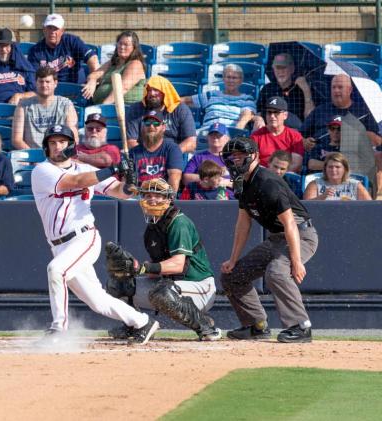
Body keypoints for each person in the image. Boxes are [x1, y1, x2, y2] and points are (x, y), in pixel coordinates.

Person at [31, 124, 159, 345]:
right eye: (52, 143)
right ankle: (141, 321)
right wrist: (114, 167)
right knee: (97, 301)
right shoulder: (42, 171)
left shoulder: (84, 170)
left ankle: (58, 329)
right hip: (59, 244)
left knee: (56, 270)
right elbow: (75, 182)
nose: (57, 147)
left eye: (62, 142)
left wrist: (129, 179)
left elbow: (121, 193)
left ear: (71, 145)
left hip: (84, 237)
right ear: (46, 147)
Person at [219, 137, 318, 343]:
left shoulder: (267, 181)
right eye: (232, 155)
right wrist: (233, 259)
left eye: (240, 155)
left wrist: (296, 261)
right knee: (232, 275)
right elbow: (243, 224)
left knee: (277, 272)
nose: (235, 159)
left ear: (253, 155)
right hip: (276, 239)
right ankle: (256, 325)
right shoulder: (243, 184)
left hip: (300, 235)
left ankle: (300, 327)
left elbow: (290, 223)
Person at [104, 178, 222, 341]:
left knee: (162, 292)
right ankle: (136, 325)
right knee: (118, 284)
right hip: (171, 286)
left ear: (168, 199)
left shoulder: (179, 222)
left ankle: (206, 326)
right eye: (148, 195)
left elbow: (178, 265)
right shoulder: (151, 229)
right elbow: (158, 271)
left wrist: (144, 268)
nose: (152, 199)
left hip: (199, 286)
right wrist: (133, 270)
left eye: (158, 196)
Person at [300, 74, 382, 197]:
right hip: (320, 158)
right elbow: (300, 135)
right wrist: (305, 141)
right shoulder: (321, 110)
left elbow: (378, 141)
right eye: (333, 87)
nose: (336, 91)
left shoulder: (364, 112)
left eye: (340, 87)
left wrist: (361, 133)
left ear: (349, 90)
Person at [12, 66, 79, 150]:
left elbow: (73, 137)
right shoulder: (23, 105)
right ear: (36, 83)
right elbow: (17, 140)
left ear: (55, 83)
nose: (44, 85)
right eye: (41, 81)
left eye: (47, 82)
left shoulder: (66, 104)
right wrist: (34, 156)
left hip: (59, 155)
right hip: (32, 156)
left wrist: (59, 155)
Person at [126, 76, 196, 152]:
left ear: (165, 91)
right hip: (143, 156)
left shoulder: (181, 109)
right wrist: (148, 156)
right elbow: (131, 142)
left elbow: (191, 143)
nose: (152, 93)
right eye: (148, 90)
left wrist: (172, 154)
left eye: (156, 90)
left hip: (172, 155)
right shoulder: (136, 109)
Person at [27, 13, 99, 84]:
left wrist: (92, 80)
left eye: (56, 28)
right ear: (44, 30)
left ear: (62, 31)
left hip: (76, 89)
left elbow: (92, 58)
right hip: (49, 91)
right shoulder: (35, 51)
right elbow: (34, 78)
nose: (52, 32)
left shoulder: (72, 41)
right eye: (49, 28)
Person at [181, 63, 256, 131]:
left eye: (234, 78)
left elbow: (246, 116)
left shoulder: (246, 99)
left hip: (230, 134)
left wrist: (236, 132)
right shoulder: (211, 95)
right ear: (223, 78)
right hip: (208, 133)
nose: (231, 80)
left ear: (241, 80)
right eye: (228, 77)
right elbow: (186, 101)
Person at [81, 30, 146, 105]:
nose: (122, 47)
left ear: (134, 47)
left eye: (126, 44)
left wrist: (103, 107)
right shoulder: (113, 62)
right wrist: (92, 81)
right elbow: (94, 75)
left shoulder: (135, 64)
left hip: (125, 107)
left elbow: (122, 89)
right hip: (102, 105)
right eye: (120, 43)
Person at [253, 53, 315, 130]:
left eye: (283, 68)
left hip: (295, 133)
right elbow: (258, 112)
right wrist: (259, 119)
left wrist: (306, 90)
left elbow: (309, 119)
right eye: (277, 68)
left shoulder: (301, 90)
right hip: (271, 131)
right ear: (273, 69)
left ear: (292, 69)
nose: (280, 71)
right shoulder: (267, 89)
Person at [129, 110, 184, 192]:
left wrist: (166, 200)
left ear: (163, 127)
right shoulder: (133, 152)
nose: (151, 126)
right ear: (143, 127)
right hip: (140, 197)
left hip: (163, 197)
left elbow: (174, 178)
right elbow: (129, 183)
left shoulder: (172, 149)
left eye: (156, 123)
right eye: (147, 123)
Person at [250, 96, 304, 173]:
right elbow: (252, 162)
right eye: (269, 112)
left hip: (285, 177)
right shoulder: (256, 136)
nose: (272, 116)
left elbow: (296, 164)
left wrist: (278, 175)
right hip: (261, 176)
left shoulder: (295, 136)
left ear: (285, 115)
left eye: (276, 112)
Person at [182, 122, 232, 193]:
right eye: (212, 134)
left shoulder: (233, 158)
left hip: (228, 199)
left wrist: (227, 182)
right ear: (207, 138)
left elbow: (243, 182)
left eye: (219, 135)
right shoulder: (198, 157)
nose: (215, 137)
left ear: (227, 138)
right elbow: (186, 179)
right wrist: (209, 179)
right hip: (202, 199)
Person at [303, 152, 372, 201]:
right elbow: (307, 206)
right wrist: (322, 197)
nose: (333, 170)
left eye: (337, 167)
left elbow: (369, 206)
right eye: (330, 167)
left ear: (345, 169)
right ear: (325, 169)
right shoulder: (314, 184)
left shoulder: (356, 185)